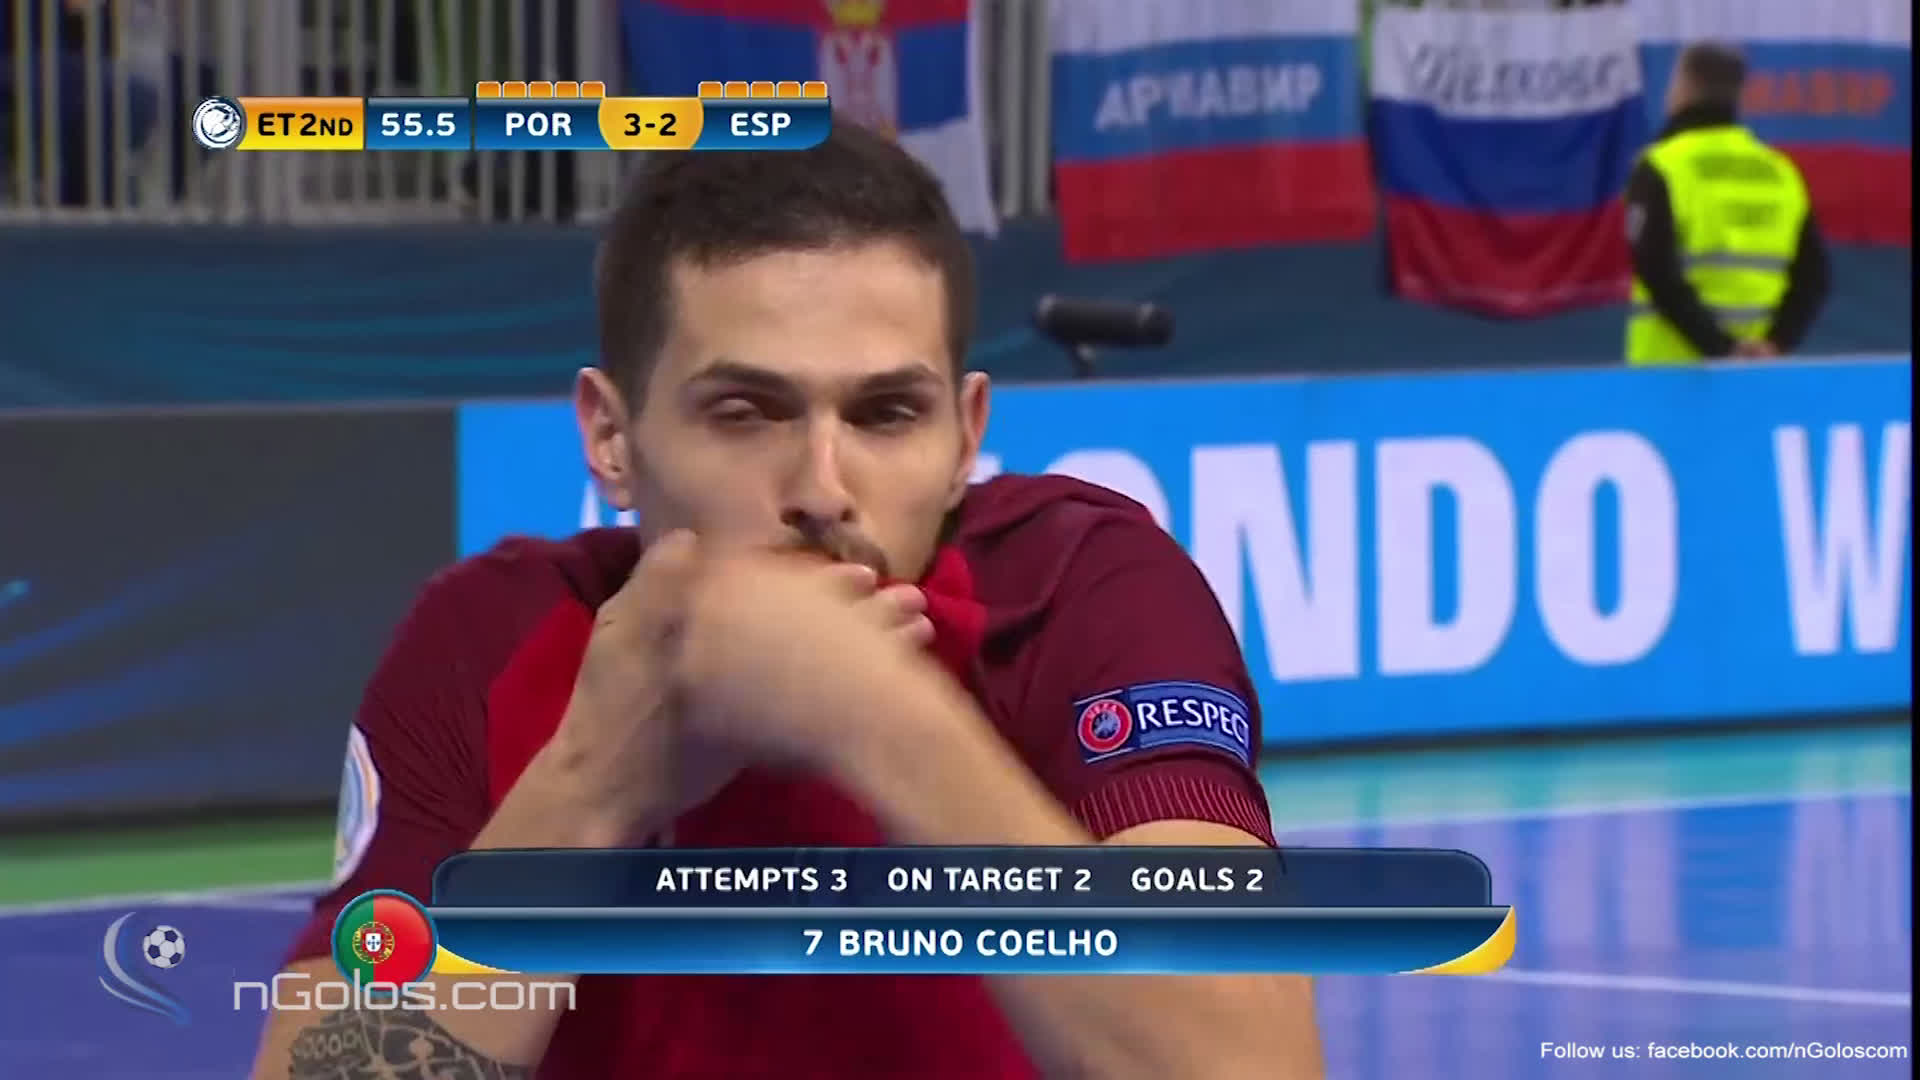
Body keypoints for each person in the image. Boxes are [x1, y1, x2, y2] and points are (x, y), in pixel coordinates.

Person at [248, 122, 1324, 1079]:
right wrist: (590, 790)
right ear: (611, 437)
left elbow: (1251, 1065)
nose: (820, 488)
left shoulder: (1079, 596)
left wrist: (880, 722)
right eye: (747, 412)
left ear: (966, 438)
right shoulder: (491, 640)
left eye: (887, 414)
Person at [1624, 42, 1831, 365]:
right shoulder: (1780, 172)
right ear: (1737, 94)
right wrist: (1776, 343)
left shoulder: (1662, 166)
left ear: (1683, 87)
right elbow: (1815, 276)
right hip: (1755, 375)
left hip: (1669, 373)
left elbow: (1656, 271)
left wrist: (1723, 349)